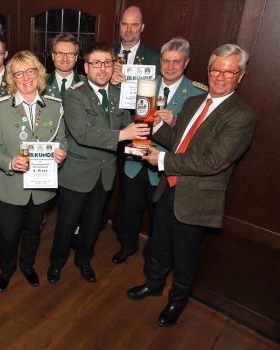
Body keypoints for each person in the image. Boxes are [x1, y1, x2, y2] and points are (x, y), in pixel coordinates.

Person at [127, 44, 256, 327]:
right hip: (169, 187)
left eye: (229, 72)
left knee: (185, 256)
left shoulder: (241, 116)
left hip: (196, 197)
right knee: (159, 245)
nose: (221, 77)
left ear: (241, 76)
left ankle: (177, 301)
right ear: (208, 71)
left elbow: (213, 161)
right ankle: (154, 284)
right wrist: (154, 121)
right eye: (216, 70)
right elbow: (179, 143)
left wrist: (161, 160)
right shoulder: (193, 103)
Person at [47, 43, 149, 284]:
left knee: (93, 223)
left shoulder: (117, 94)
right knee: (66, 224)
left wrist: (148, 120)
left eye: (107, 63)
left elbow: (129, 124)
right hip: (77, 173)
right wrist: (122, 135)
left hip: (105, 173)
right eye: (96, 63)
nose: (102, 68)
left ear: (113, 65)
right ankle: (56, 263)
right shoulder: (75, 94)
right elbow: (82, 133)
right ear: (86, 67)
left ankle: (83, 260)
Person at [111, 37, 207, 265]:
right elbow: (123, 112)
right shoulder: (143, 82)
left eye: (176, 62)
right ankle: (128, 246)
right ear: (160, 61)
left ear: (186, 62)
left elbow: (194, 138)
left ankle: (153, 254)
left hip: (164, 165)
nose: (170, 66)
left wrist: (175, 123)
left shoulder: (195, 93)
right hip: (135, 160)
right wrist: (117, 84)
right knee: (129, 210)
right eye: (166, 61)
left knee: (159, 217)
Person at [0, 50, 67, 293]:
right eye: (18, 73)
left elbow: (62, 139)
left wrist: (61, 154)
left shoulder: (54, 107)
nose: (25, 78)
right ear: (12, 78)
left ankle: (27, 265)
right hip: (10, 187)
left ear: (39, 73)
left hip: (41, 188)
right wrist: (10, 163)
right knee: (9, 234)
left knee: (33, 231)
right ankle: (7, 269)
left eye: (30, 71)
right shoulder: (0, 108)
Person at [112, 5, 160, 243]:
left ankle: (124, 233)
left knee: (131, 188)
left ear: (142, 27)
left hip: (137, 133)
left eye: (134, 24)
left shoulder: (154, 57)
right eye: (124, 24)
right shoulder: (107, 54)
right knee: (107, 183)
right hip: (109, 131)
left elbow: (159, 95)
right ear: (119, 26)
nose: (128, 29)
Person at [45, 33, 85, 99]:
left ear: (76, 57)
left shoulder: (86, 85)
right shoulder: (40, 83)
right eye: (60, 53)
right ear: (53, 56)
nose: (65, 59)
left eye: (70, 54)